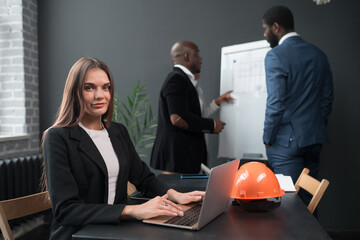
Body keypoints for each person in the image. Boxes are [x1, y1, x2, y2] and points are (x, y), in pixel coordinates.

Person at [42, 57, 205, 239]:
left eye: (106, 87)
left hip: (115, 230)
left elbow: (145, 179)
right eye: (89, 87)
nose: (100, 95)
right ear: (75, 92)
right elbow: (66, 210)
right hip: (79, 234)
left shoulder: (118, 131)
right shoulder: (58, 137)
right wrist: (132, 210)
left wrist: (176, 195)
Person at [261, 6, 334, 188]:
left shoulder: (275, 55)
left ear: (276, 27)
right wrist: (315, 127)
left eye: (265, 28)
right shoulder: (319, 55)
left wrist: (267, 138)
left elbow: (275, 102)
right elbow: (327, 100)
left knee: (288, 205)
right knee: (307, 202)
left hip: (286, 144)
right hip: (314, 139)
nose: (264, 34)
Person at [150, 41, 232, 174]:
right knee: (178, 194)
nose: (201, 59)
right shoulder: (176, 79)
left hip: (184, 159)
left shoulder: (185, 80)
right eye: (197, 54)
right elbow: (178, 118)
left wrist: (216, 102)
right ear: (187, 57)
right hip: (177, 160)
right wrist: (211, 125)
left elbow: (194, 114)